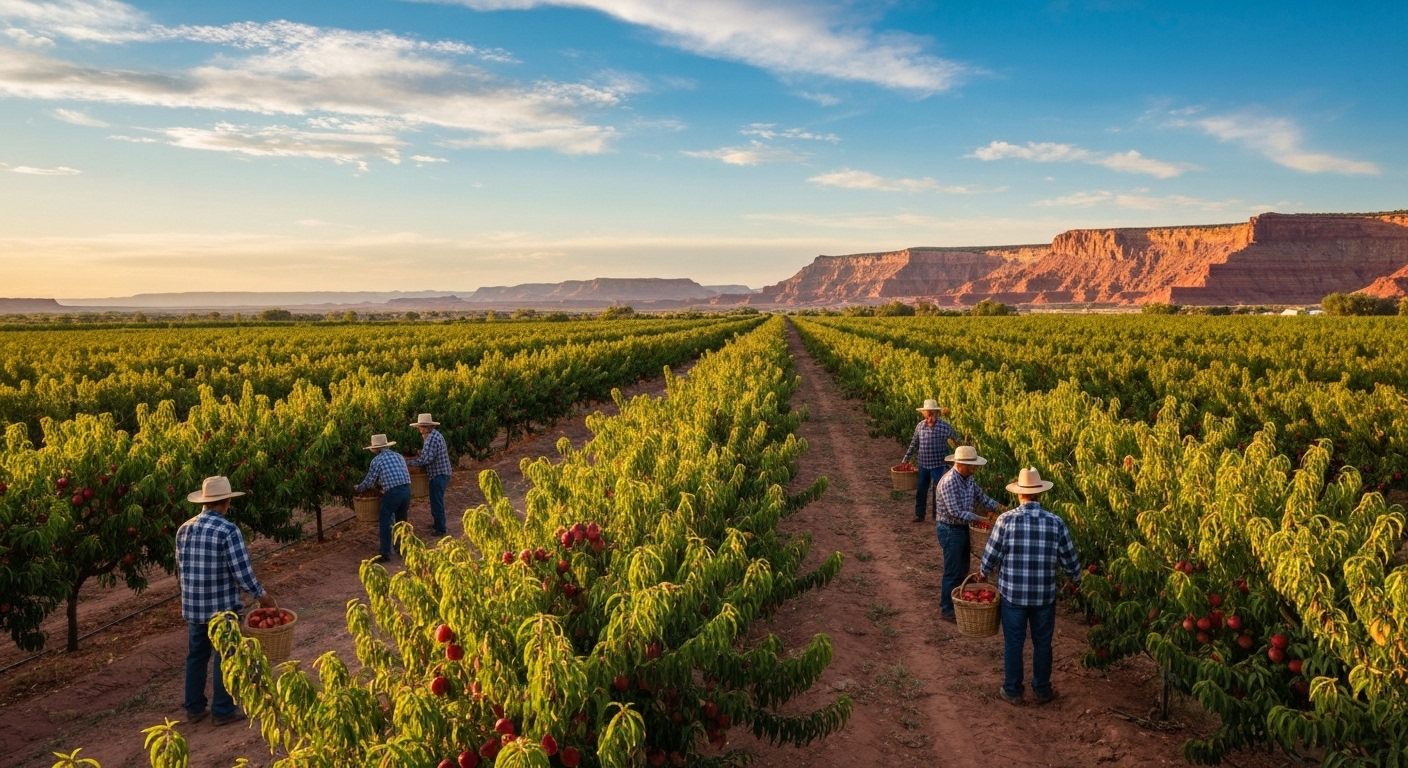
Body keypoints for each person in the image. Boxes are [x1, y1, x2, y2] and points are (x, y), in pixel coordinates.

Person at [176, 476, 276, 727]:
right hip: (222, 609)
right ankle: (222, 709)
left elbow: (181, 568)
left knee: (196, 656)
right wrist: (262, 596)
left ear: (204, 501)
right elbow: (241, 572)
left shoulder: (184, 528)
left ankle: (194, 708)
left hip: (193, 606)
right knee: (226, 655)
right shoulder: (228, 530)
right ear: (227, 501)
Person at [979, 467, 1081, 706]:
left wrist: (983, 572)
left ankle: (1013, 690)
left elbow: (991, 554)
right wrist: (1075, 579)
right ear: (1040, 494)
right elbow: (1070, 559)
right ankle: (1042, 690)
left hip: (1013, 595)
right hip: (1044, 596)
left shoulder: (1006, 520)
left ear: (1019, 495)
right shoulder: (1055, 522)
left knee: (1014, 642)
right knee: (1042, 643)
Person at [933, 445, 1004, 622]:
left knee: (963, 567)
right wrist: (980, 518)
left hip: (962, 528)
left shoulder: (968, 479)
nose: (974, 469)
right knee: (953, 570)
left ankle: (959, 603)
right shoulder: (949, 482)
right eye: (971, 466)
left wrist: (1000, 508)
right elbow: (954, 511)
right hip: (950, 529)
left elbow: (981, 497)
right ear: (960, 464)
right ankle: (947, 609)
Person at [355, 433, 412, 562]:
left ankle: (385, 553)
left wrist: (358, 488)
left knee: (385, 520)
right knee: (401, 521)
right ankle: (403, 549)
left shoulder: (376, 460)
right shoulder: (398, 456)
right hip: (407, 489)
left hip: (393, 492)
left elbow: (369, 481)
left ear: (376, 449)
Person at [902, 399, 959, 523]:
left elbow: (956, 438)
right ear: (924, 415)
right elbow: (914, 444)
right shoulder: (920, 426)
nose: (930, 418)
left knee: (938, 491)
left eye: (932, 415)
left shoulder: (944, 426)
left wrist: (957, 457)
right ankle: (919, 514)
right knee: (921, 490)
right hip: (923, 465)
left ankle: (937, 515)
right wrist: (905, 459)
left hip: (938, 465)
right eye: (927, 415)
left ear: (936, 414)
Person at [405, 413, 451, 537]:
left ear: (425, 427)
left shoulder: (431, 439)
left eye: (420, 427)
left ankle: (440, 528)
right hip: (442, 473)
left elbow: (426, 459)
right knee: (436, 500)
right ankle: (437, 524)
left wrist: (408, 463)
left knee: (436, 501)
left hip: (438, 474)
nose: (419, 430)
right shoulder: (435, 436)